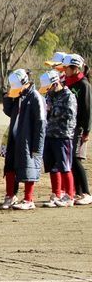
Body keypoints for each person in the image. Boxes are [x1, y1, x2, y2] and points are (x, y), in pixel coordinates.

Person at [2, 69, 46, 210]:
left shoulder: (35, 97)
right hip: (15, 137)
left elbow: (41, 123)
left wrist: (37, 146)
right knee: (9, 166)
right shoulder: (18, 96)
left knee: (29, 167)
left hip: (28, 139)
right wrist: (8, 96)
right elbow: (8, 111)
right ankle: (10, 195)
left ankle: (28, 199)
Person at [39, 69, 77, 208]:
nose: (47, 91)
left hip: (63, 136)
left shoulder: (68, 96)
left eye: (48, 88)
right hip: (49, 134)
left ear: (55, 84)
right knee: (52, 166)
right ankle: (57, 193)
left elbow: (70, 114)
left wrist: (51, 109)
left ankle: (69, 195)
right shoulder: (50, 94)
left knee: (65, 166)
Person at [58, 54, 92, 205]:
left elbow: (88, 110)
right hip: (68, 126)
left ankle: (86, 192)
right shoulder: (69, 82)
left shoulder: (84, 85)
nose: (65, 71)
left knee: (73, 159)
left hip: (79, 127)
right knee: (71, 159)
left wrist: (87, 131)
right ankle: (78, 192)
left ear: (75, 68)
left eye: (67, 68)